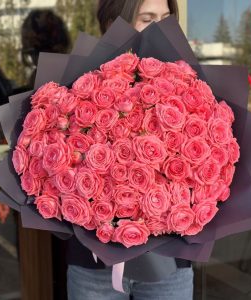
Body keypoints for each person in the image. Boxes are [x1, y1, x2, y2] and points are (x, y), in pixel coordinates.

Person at [66, 1, 194, 300]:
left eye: (165, 18)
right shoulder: (80, 85)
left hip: (169, 263)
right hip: (93, 266)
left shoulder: (187, 84)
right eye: (146, 18)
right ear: (115, 22)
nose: (159, 28)